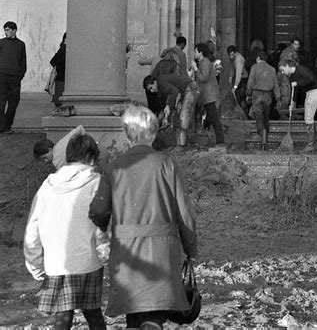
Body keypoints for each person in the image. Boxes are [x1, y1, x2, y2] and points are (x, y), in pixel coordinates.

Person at [89, 105, 198, 329]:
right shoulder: (167, 164)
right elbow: (185, 215)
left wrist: (102, 227)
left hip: (127, 251)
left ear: (127, 134)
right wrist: (191, 251)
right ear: (153, 133)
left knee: (134, 312)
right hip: (162, 250)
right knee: (155, 311)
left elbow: (99, 210)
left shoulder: (113, 167)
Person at [24, 134, 106, 329]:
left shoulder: (47, 186)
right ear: (92, 158)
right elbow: (107, 223)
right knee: (94, 315)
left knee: (63, 318)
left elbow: (32, 229)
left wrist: (36, 266)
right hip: (89, 262)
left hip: (56, 263)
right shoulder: (98, 183)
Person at [143, 71, 199, 148]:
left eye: (151, 88)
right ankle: (180, 144)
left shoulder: (161, 82)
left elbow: (174, 91)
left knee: (183, 117)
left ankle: (182, 146)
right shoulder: (160, 91)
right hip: (183, 92)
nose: (151, 91)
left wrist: (168, 106)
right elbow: (164, 107)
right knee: (176, 119)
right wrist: (162, 119)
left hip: (191, 88)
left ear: (155, 82)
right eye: (149, 90)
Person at [279, 58, 317, 153]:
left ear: (287, 66)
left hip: (315, 92)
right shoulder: (291, 76)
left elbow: (310, 79)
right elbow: (295, 90)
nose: (282, 72)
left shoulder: (300, 69)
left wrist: (297, 83)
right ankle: (314, 142)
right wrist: (293, 102)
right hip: (309, 93)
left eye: (283, 69)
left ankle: (311, 144)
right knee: (308, 117)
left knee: (308, 117)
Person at [192, 43, 225, 147]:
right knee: (211, 118)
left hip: (209, 95)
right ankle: (213, 140)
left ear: (200, 52)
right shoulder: (203, 62)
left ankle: (220, 142)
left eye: (195, 51)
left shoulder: (205, 62)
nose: (194, 53)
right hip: (207, 95)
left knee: (214, 119)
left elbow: (203, 78)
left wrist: (195, 69)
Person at [246, 51, 281, 150]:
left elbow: (250, 82)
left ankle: (263, 136)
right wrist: (278, 98)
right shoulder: (272, 69)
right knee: (266, 116)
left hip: (257, 94)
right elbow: (276, 85)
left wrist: (248, 94)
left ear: (258, 58)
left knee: (259, 116)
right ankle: (266, 133)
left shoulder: (254, 67)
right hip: (268, 95)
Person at [0, 21, 27, 133]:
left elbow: (23, 62)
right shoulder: (1, 43)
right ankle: (2, 127)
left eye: (8, 30)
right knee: (1, 102)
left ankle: (7, 125)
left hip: (15, 77)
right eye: (5, 30)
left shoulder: (21, 44)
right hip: (2, 76)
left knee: (14, 101)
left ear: (14, 30)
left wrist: (19, 75)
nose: (5, 32)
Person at [227, 45, 250, 117]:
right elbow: (232, 68)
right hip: (239, 79)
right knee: (238, 96)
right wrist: (230, 77)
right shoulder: (233, 58)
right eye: (229, 55)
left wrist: (235, 86)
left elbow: (238, 74)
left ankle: (246, 113)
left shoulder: (238, 59)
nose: (231, 56)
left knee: (240, 97)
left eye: (232, 55)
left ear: (235, 53)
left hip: (243, 79)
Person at [50, 32, 67, 107]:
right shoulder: (64, 49)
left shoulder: (62, 48)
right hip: (62, 77)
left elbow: (52, 61)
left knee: (59, 99)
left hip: (60, 76)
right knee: (59, 101)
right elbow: (57, 61)